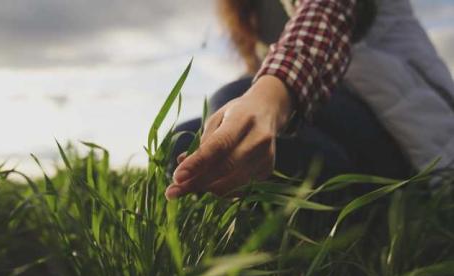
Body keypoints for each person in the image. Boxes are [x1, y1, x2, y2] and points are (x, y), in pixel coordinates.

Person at [165, 0, 454, 200]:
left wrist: (265, 100)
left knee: (231, 98)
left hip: (403, 130)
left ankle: (365, 210)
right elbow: (261, 66)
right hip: (326, 118)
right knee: (184, 138)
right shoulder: (250, 9)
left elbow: (324, 14)